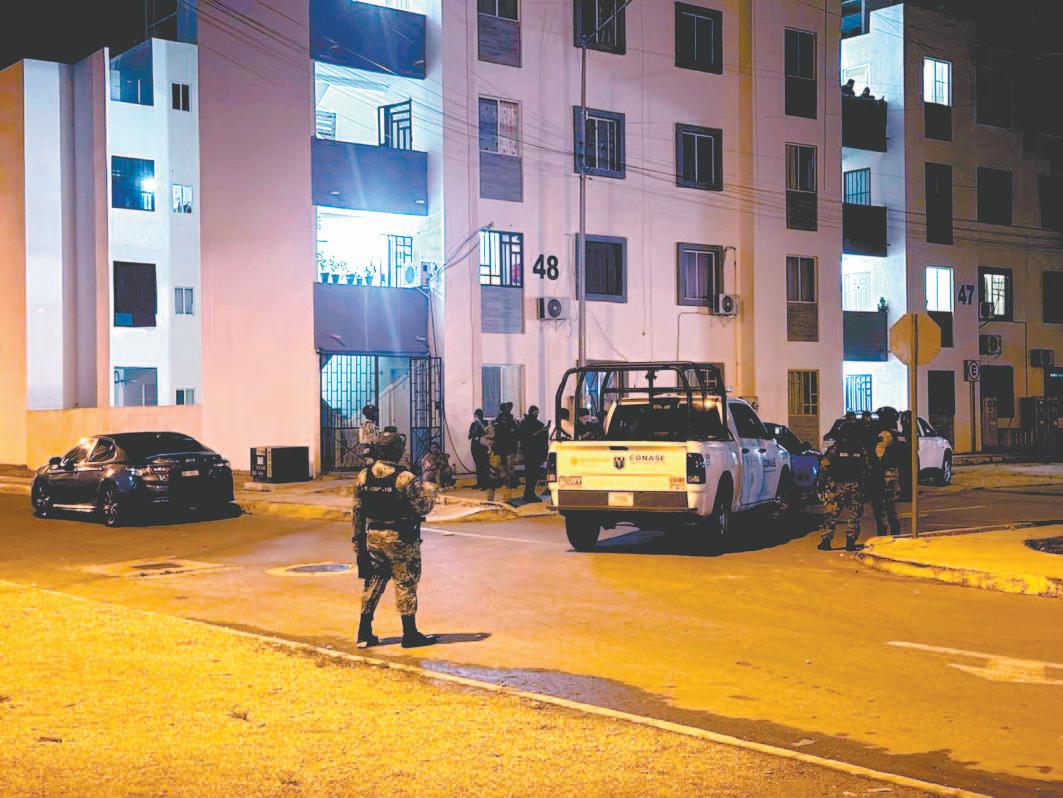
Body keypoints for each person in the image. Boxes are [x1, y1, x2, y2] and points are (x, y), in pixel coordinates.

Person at [351, 431, 436, 649]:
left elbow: (357, 512)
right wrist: (430, 486)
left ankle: (364, 631)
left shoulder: (364, 476)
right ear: (396, 451)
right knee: (405, 581)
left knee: (373, 582)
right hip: (400, 539)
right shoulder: (405, 478)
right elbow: (424, 506)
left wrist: (359, 544)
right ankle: (410, 634)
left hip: (373, 537)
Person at [816, 420, 871, 552]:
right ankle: (850, 542)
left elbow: (825, 466)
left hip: (836, 486)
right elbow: (867, 468)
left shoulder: (835, 449)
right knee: (854, 516)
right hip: (855, 486)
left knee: (831, 515)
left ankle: (826, 541)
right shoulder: (861, 449)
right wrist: (865, 486)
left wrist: (821, 483)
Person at [869, 406, 903, 536]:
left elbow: (878, 456)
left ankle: (883, 536)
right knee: (891, 507)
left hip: (884, 475)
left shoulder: (885, 435)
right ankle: (896, 534)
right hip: (894, 474)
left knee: (880, 508)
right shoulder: (898, 434)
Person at [518, 406, 548, 502]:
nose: (536, 415)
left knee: (532, 475)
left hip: (533, 453)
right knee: (531, 475)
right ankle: (529, 494)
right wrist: (541, 431)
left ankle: (529, 493)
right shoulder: (528, 424)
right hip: (532, 453)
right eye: (535, 413)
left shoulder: (531, 424)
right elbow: (527, 438)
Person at [492, 402, 519, 488]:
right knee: (506, 465)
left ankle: (509, 482)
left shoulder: (504, 419)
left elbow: (514, 432)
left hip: (506, 447)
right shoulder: (503, 419)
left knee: (507, 465)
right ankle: (508, 482)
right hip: (505, 446)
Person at [468, 409, 490, 490]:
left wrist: (480, 423)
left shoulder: (485, 423)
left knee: (484, 465)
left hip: (482, 446)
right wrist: (474, 429)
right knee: (478, 465)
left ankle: (485, 484)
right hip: (475, 446)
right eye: (476, 415)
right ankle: (479, 483)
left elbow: (486, 431)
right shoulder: (473, 424)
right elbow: (469, 436)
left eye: (479, 415)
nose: (477, 417)